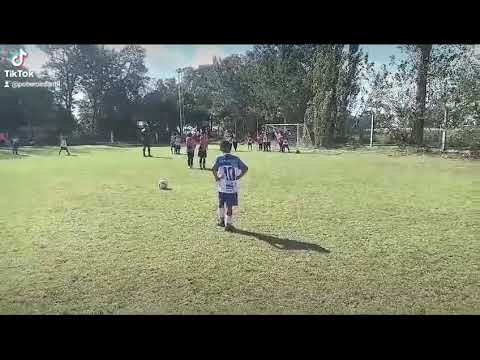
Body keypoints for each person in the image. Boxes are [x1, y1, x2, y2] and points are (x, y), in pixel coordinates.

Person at [212, 140, 249, 232]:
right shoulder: (235, 159)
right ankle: (228, 224)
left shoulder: (219, 159)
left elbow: (213, 169)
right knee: (229, 206)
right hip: (231, 187)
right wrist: (238, 176)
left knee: (221, 203)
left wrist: (217, 177)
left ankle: (221, 220)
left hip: (221, 186)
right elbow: (245, 168)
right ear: (230, 148)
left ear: (222, 148)